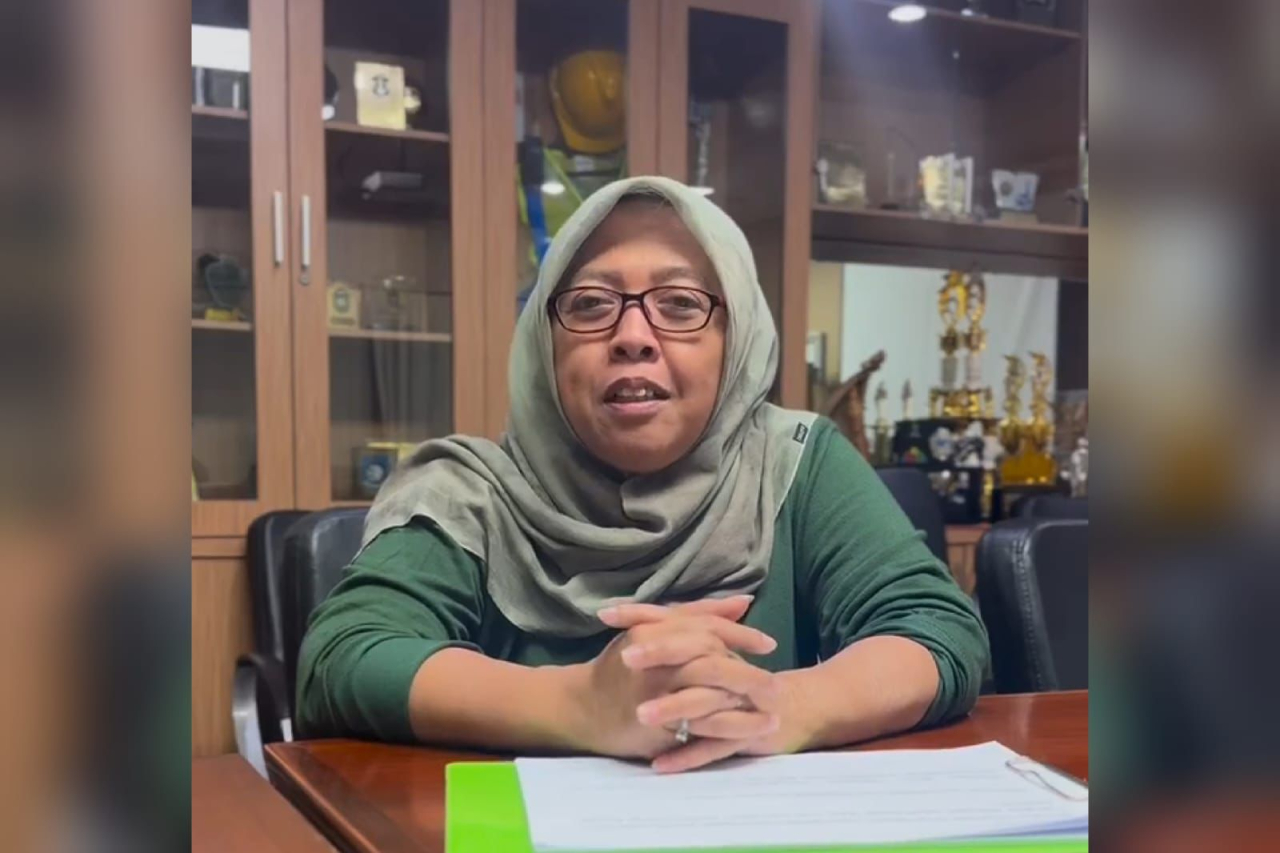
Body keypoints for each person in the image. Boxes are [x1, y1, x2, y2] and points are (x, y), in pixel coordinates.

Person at [296, 177, 988, 773]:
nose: (632, 336)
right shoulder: (470, 491)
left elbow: (937, 628)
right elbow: (342, 660)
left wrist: (782, 706)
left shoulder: (796, 463)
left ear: (736, 339)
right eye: (591, 304)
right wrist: (580, 706)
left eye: (680, 304)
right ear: (544, 344)